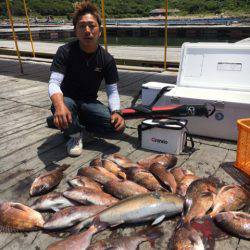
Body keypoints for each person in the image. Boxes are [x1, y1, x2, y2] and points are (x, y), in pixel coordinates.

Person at [48, 1, 125, 157]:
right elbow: (54, 83)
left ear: (99, 31)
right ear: (76, 31)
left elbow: (112, 90)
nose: (87, 30)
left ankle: (69, 124)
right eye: (82, 26)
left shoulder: (107, 59)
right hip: (67, 100)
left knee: (117, 129)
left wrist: (117, 112)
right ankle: (75, 136)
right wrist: (59, 105)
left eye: (91, 25)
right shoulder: (64, 51)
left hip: (89, 102)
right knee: (65, 107)